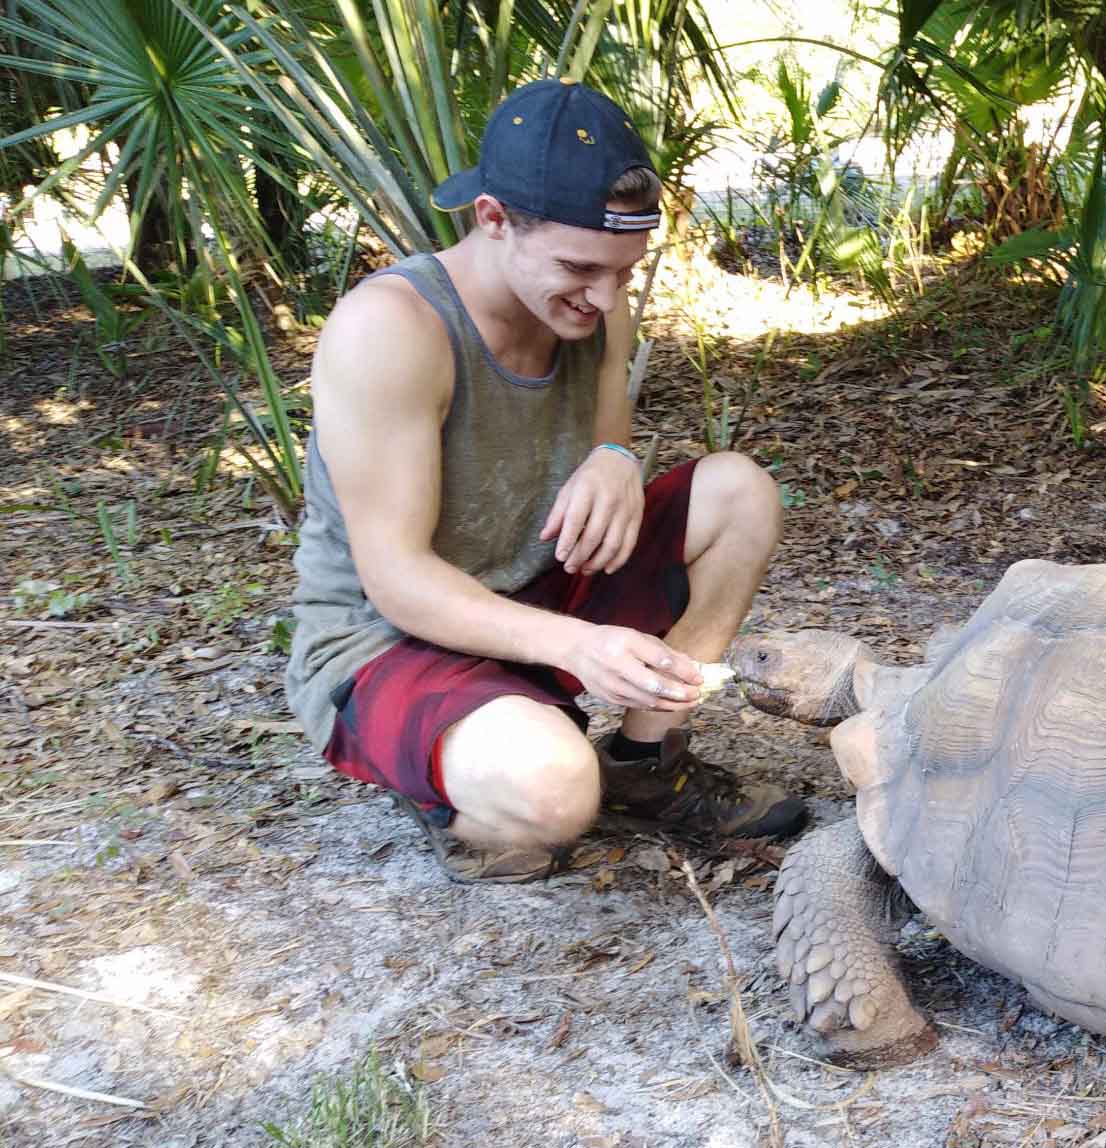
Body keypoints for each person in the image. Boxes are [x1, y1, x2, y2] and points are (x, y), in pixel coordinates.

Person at [284, 78, 805, 883]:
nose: (605, 297)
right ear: (492, 219)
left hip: (537, 586)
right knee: (556, 795)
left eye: (624, 273)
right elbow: (394, 579)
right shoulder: (391, 329)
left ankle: (646, 762)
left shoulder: (594, 305)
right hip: (390, 641)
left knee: (740, 490)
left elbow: (607, 438)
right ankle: (467, 774)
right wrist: (578, 645)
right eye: (579, 267)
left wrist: (618, 458)